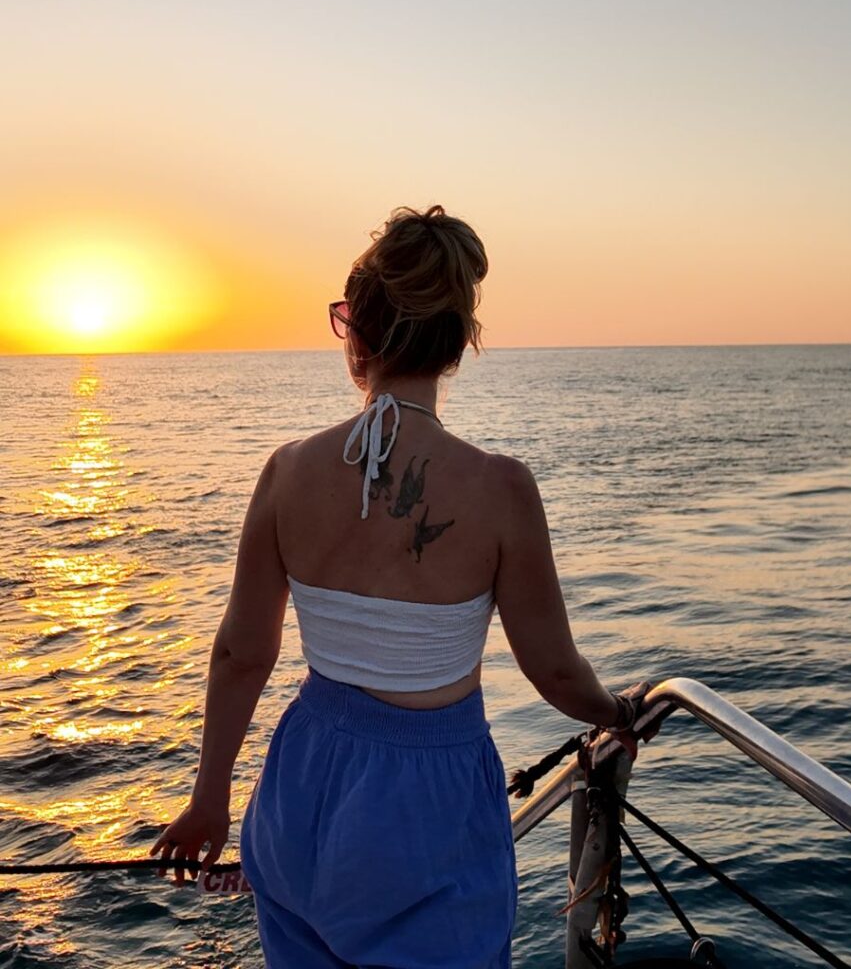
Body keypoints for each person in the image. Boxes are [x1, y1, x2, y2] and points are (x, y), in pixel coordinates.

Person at [149, 204, 653, 968]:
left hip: (299, 788)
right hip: (425, 812)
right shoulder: (499, 488)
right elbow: (553, 671)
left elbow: (240, 654)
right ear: (457, 344)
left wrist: (208, 801)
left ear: (357, 334)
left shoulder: (288, 471)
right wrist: (618, 712)